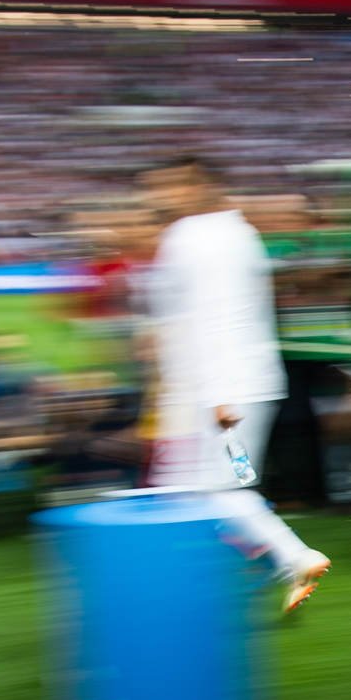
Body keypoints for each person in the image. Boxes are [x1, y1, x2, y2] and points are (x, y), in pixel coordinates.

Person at [139, 158, 328, 613]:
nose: (160, 197)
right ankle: (245, 569)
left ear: (199, 186)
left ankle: (294, 557)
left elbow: (209, 320)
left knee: (215, 491)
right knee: (205, 487)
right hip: (241, 390)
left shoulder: (191, 236)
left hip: (218, 396)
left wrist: (216, 395)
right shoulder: (240, 234)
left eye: (169, 186)